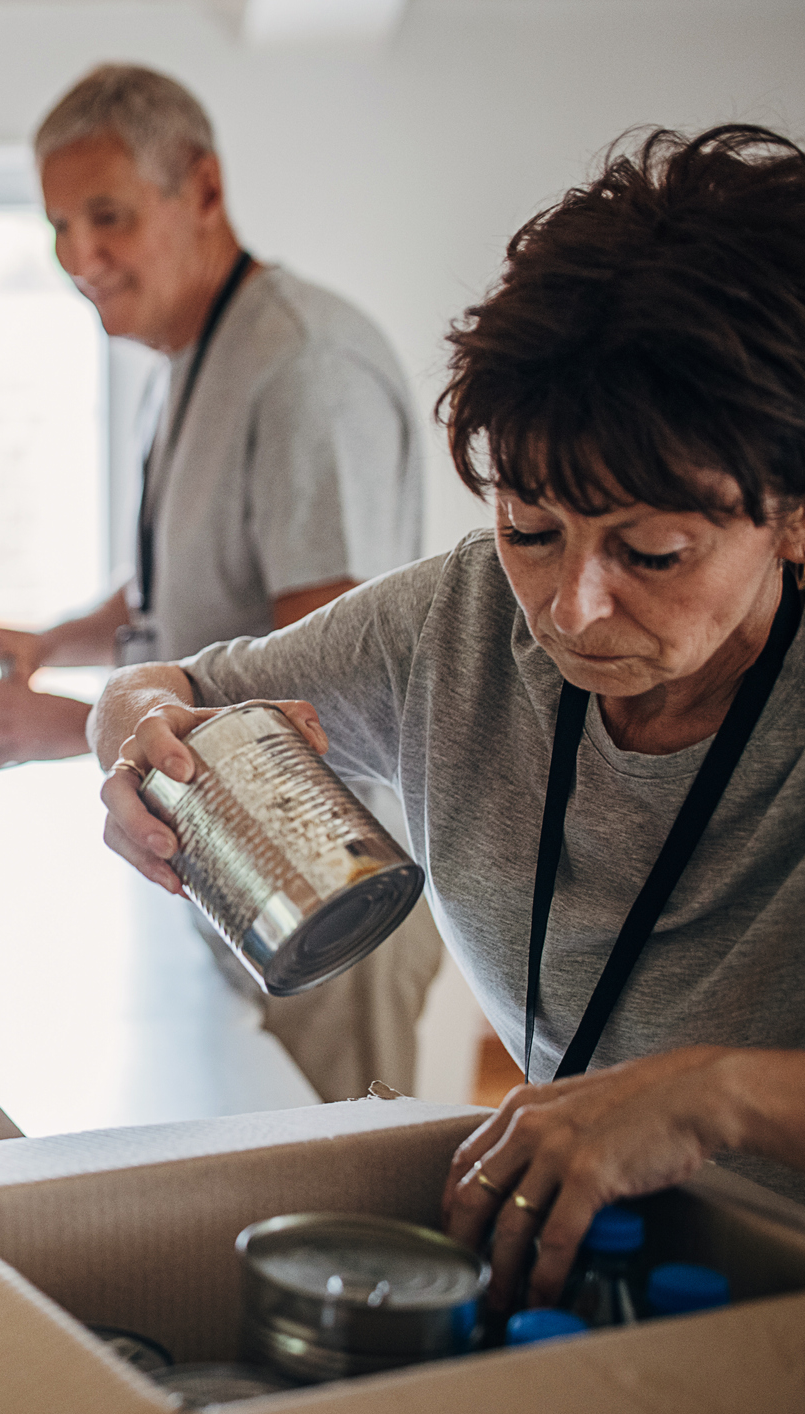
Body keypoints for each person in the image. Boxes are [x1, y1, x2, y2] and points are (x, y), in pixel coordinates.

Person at [95, 125, 805, 1313]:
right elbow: (172, 688)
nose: (570, 609)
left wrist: (709, 1094)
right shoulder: (456, 624)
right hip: (595, 1287)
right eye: (530, 528)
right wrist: (127, 732)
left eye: (650, 551)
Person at [0, 63, 440, 1101]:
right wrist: (45, 640)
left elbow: (311, 693)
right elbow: (179, 582)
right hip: (234, 870)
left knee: (335, 1207)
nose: (78, 256)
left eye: (104, 216)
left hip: (329, 881)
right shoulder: (186, 363)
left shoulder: (299, 365)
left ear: (199, 189)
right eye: (58, 226)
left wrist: (54, 723)